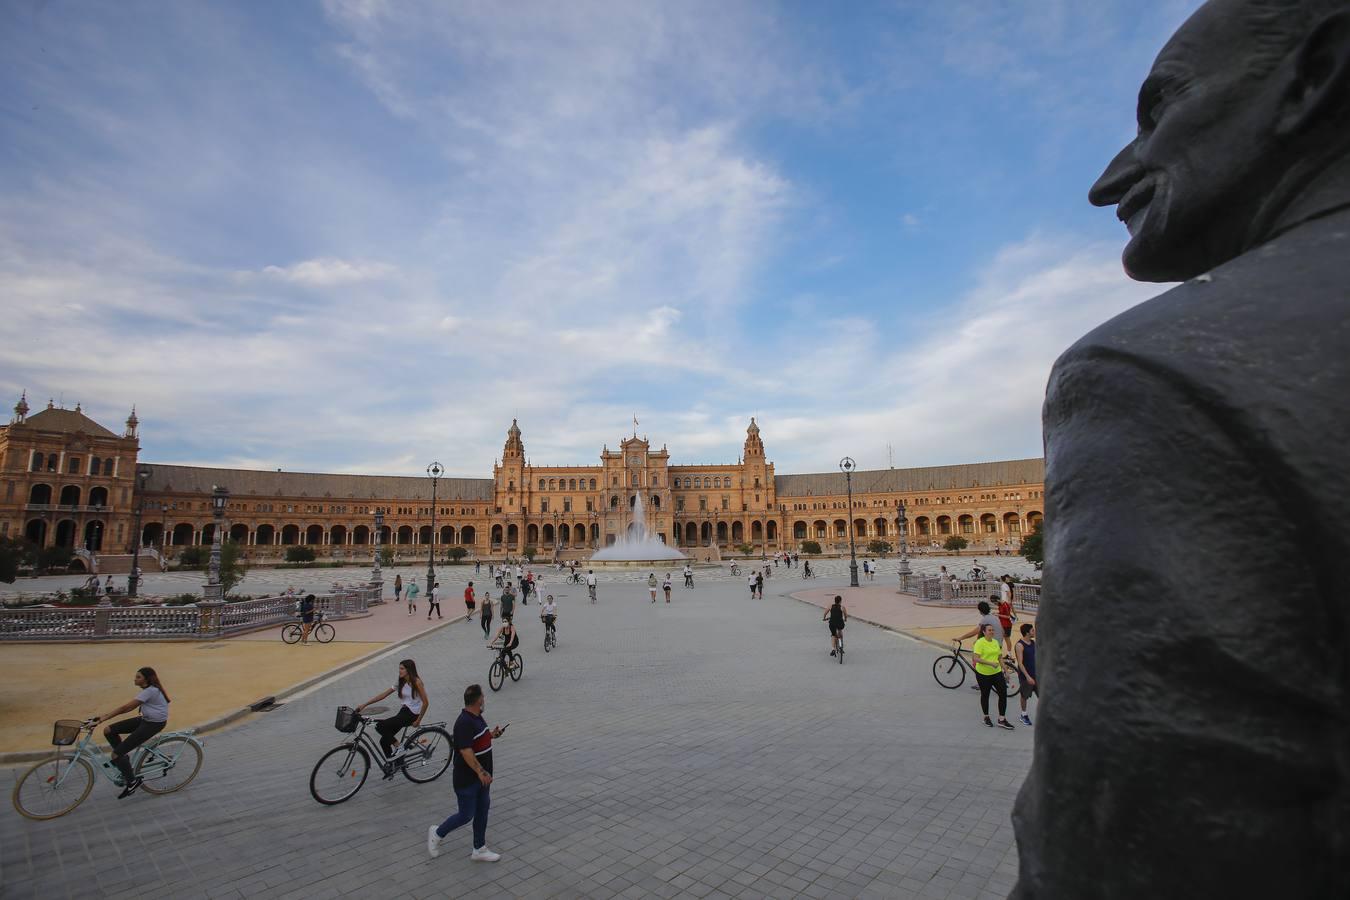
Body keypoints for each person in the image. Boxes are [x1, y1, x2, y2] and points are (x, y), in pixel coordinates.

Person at [428, 683, 505, 862]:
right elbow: (465, 751)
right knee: (466, 815)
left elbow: (479, 739)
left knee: (482, 811)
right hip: (468, 779)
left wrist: (492, 734)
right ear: (478, 701)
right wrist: (480, 772)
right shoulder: (464, 722)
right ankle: (437, 833)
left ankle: (479, 848)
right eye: (483, 698)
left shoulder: (477, 717)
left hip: (482, 778)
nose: (484, 700)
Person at [93, 667, 170, 798]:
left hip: (153, 724)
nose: (135, 679)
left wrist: (103, 718)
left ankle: (133, 782)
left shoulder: (150, 691)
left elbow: (126, 707)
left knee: (116, 755)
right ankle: (124, 760)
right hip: (145, 720)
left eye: (138, 677)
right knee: (109, 730)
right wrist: (101, 719)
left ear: (146, 679)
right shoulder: (149, 689)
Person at [357, 659, 429, 760]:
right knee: (384, 741)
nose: (400, 671)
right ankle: (393, 765)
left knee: (380, 726)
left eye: (402, 669)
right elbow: (384, 695)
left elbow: (426, 703)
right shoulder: (401, 681)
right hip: (404, 712)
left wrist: (418, 720)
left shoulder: (417, 682)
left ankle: (400, 747)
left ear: (409, 670)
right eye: (399, 668)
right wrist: (365, 704)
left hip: (413, 714)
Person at [973, 623, 1014, 730]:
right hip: (983, 674)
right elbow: (976, 658)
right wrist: (990, 663)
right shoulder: (980, 643)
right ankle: (986, 717)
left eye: (992, 630)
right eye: (989, 630)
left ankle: (1002, 719)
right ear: (984, 632)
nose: (992, 632)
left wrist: (1006, 670)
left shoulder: (995, 642)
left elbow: (1000, 657)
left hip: (996, 673)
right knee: (985, 695)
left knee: (1003, 694)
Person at [1015, 622, 1037, 726]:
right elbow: (1020, 663)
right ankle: (1023, 715)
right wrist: (1027, 676)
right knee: (1024, 696)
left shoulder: (1033, 643)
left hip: (1037, 675)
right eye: (1033, 630)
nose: (1034, 632)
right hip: (1026, 676)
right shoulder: (1020, 645)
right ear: (1027, 632)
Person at [997, 582, 1016, 654]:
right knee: (1004, 638)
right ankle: (1008, 653)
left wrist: (998, 615)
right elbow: (1013, 609)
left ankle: (1008, 654)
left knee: (1005, 638)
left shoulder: (1005, 604)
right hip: (1004, 623)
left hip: (1006, 624)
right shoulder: (1008, 602)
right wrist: (1015, 616)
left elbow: (1008, 616)